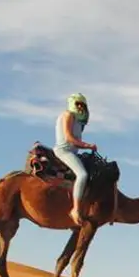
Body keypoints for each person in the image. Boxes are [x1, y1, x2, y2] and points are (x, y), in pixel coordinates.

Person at [53, 93, 96, 225]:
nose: (80, 107)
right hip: (63, 151)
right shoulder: (68, 115)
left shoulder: (78, 122)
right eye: (78, 104)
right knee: (82, 175)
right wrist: (88, 145)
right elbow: (69, 138)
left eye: (82, 105)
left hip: (73, 153)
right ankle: (75, 210)